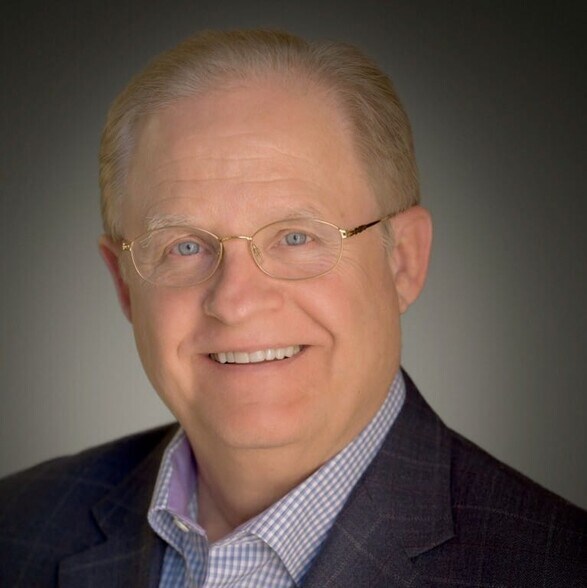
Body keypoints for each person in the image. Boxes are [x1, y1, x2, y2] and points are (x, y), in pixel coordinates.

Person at [0, 29, 584, 587]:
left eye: (296, 237)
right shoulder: (16, 528)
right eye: (184, 246)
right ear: (125, 284)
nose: (235, 301)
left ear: (402, 261)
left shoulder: (557, 568)